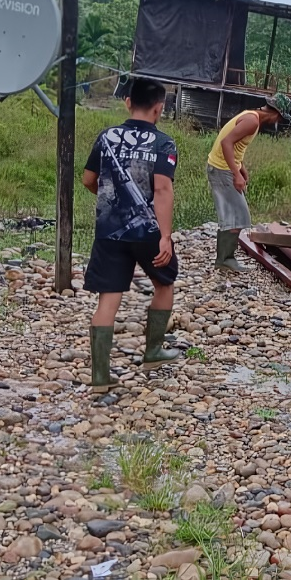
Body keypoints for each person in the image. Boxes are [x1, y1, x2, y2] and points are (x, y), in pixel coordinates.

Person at [81, 78, 182, 392]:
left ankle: (100, 377)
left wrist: (114, 200)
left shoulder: (107, 137)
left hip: (110, 230)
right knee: (164, 283)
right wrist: (165, 236)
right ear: (158, 108)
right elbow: (163, 190)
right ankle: (152, 351)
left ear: (127, 102)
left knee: (108, 300)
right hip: (148, 230)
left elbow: (88, 179)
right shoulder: (163, 144)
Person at [206, 93, 291, 271]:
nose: (278, 121)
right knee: (237, 215)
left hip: (222, 168)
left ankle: (224, 259)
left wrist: (241, 168)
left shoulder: (250, 116)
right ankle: (225, 260)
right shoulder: (252, 121)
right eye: (280, 118)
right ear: (276, 114)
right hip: (222, 170)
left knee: (233, 214)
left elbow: (236, 146)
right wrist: (235, 174)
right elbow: (226, 143)